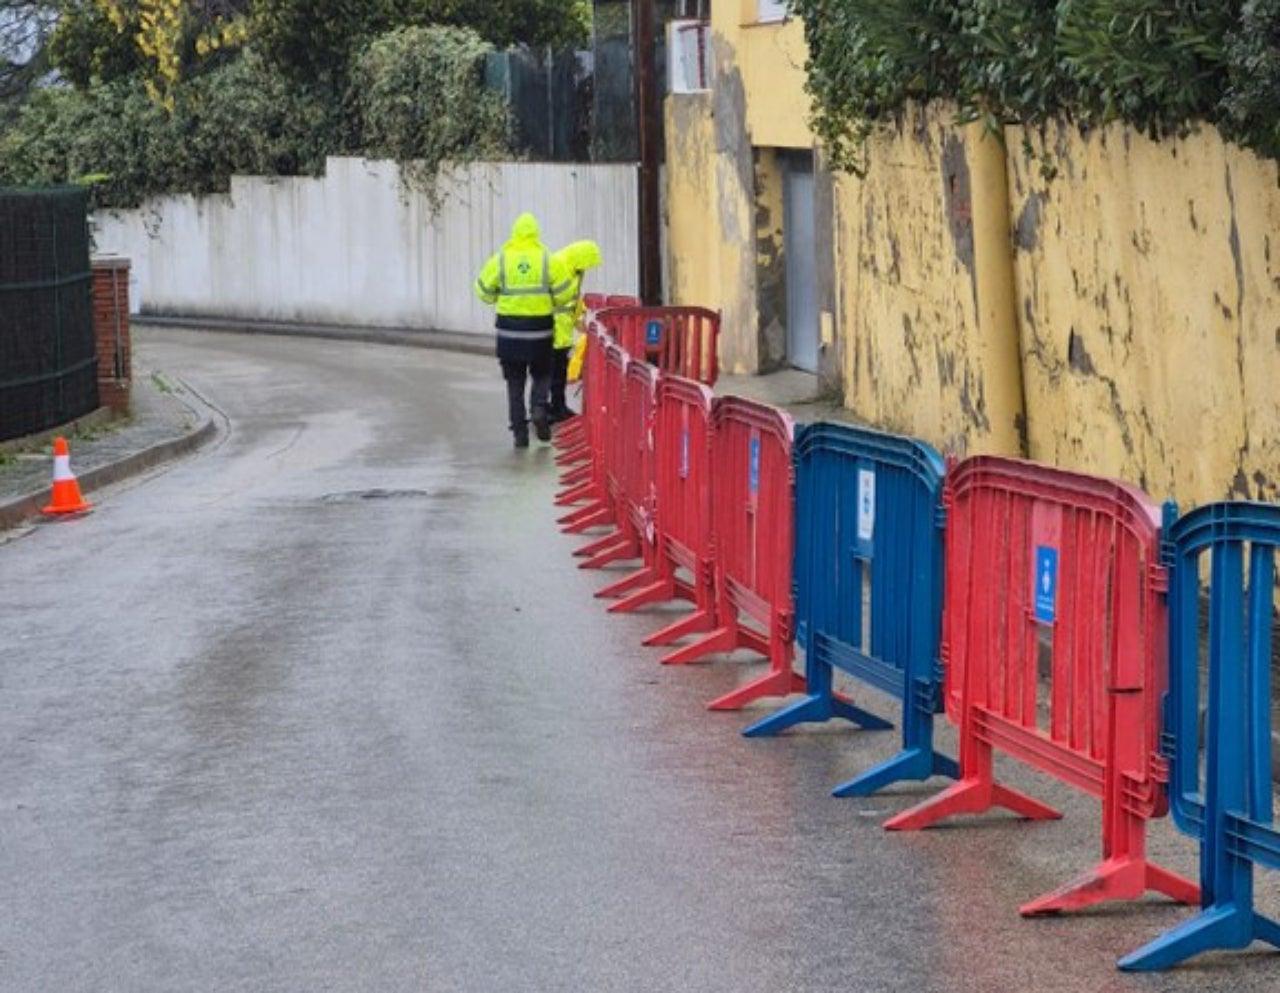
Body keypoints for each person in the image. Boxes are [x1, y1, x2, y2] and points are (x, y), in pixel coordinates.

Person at [474, 213, 574, 447]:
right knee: (542, 374)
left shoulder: (500, 259)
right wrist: (550, 299)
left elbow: (482, 291)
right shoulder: (547, 259)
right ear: (535, 233)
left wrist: (498, 296)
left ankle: (519, 432)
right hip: (540, 331)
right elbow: (566, 293)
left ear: (514, 233)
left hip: (509, 333)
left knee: (515, 382)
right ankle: (538, 409)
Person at [548, 239, 602, 423]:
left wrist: (581, 316)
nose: (587, 268)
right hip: (552, 330)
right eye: (587, 264)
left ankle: (558, 407)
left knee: (559, 371)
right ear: (580, 259)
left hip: (562, 330)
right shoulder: (558, 266)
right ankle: (550, 410)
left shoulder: (574, 270)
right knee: (553, 372)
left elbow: (574, 298)